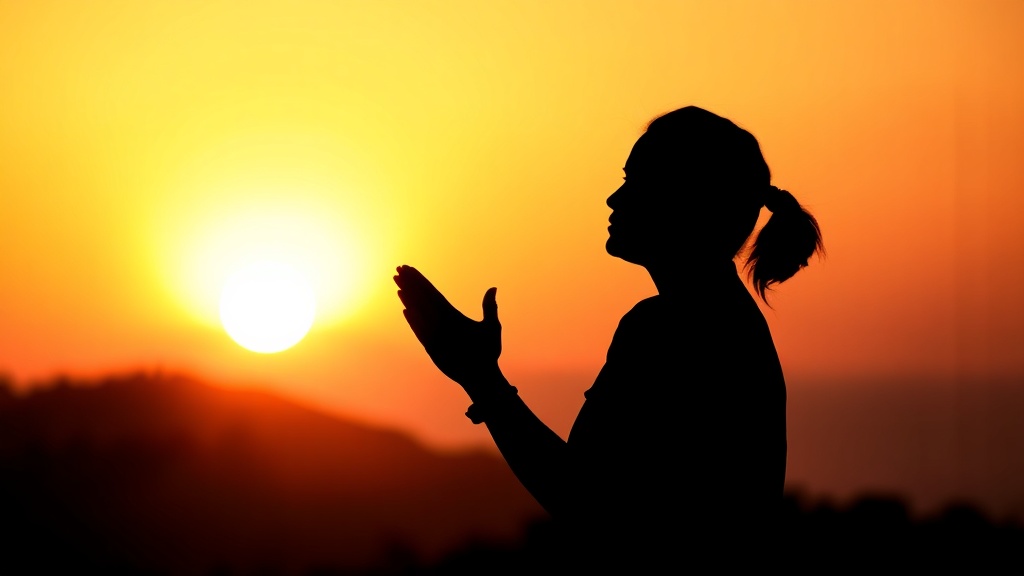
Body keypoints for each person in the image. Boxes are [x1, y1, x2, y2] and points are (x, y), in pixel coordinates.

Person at [394, 105, 823, 570]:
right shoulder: (724, 322)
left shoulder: (670, 330)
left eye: (637, 182)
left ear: (686, 202)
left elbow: (584, 502)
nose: (614, 199)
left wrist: (481, 379)